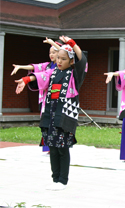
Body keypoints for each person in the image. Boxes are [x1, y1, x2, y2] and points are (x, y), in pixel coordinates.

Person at [14, 36, 87, 190]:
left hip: (64, 115)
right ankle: (55, 179)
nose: (59, 61)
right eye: (58, 58)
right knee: (53, 147)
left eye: (63, 59)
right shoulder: (53, 73)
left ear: (71, 61)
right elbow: (42, 76)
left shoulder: (74, 75)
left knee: (62, 147)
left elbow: (82, 60)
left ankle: (63, 180)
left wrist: (72, 44)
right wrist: (26, 80)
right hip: (51, 114)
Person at [11, 38, 61, 153]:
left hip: (58, 97)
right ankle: (49, 147)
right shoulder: (48, 65)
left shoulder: (61, 66)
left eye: (54, 52)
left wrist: (52, 43)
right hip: (46, 98)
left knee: (55, 122)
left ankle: (55, 146)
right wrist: (20, 66)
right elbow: (35, 67)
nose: (51, 55)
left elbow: (65, 53)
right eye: (50, 53)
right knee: (46, 121)